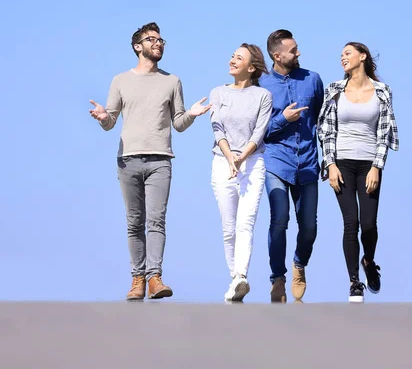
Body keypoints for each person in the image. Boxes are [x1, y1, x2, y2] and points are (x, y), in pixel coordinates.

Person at [89, 22, 211, 301]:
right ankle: (137, 280)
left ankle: (155, 278)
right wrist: (102, 117)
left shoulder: (172, 81)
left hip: (160, 160)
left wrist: (191, 113)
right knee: (134, 222)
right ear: (137, 46)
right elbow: (110, 122)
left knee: (156, 221)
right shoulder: (120, 80)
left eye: (161, 39)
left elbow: (178, 123)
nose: (158, 43)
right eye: (151, 39)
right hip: (128, 160)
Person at [317, 42, 399, 303]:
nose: (343, 57)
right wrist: (330, 164)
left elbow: (384, 132)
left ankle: (369, 261)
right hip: (341, 162)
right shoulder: (334, 90)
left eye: (348, 53)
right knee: (350, 222)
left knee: (369, 224)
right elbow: (325, 131)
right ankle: (354, 282)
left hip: (368, 164)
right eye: (341, 54)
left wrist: (377, 166)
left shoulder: (382, 92)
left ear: (362, 56)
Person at [259, 29, 324, 303]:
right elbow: (257, 131)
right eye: (293, 50)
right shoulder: (261, 85)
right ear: (277, 55)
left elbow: (321, 119)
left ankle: (299, 264)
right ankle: (278, 278)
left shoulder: (312, 79)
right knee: (279, 220)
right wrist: (283, 119)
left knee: (309, 226)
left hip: (308, 162)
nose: (298, 53)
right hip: (276, 161)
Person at [209, 43, 272, 302]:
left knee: (246, 222)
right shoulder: (218, 92)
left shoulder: (263, 96)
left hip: (253, 162)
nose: (232, 60)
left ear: (252, 67)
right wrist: (230, 157)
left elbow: (260, 131)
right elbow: (217, 128)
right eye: (233, 56)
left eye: (239, 58)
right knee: (229, 227)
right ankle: (234, 278)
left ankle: (241, 277)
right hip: (222, 162)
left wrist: (242, 156)